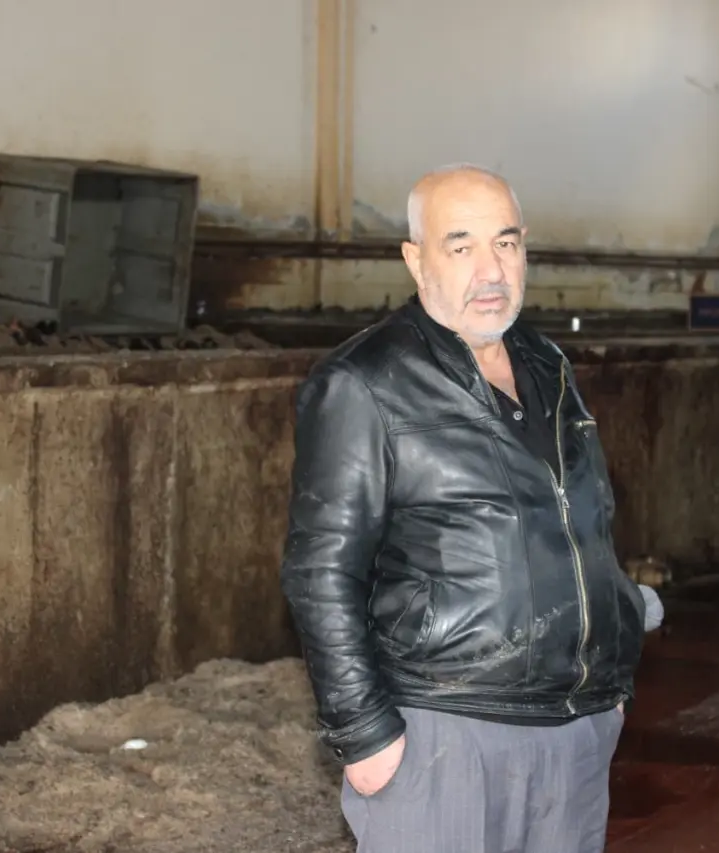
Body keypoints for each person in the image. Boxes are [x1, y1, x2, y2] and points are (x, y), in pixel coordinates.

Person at [280, 164, 656, 853]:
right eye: (461, 246)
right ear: (415, 259)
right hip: (446, 728)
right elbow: (321, 568)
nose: (491, 269)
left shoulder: (547, 365)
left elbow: (584, 522)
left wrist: (614, 658)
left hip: (576, 724)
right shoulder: (365, 382)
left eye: (506, 243)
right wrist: (364, 732)